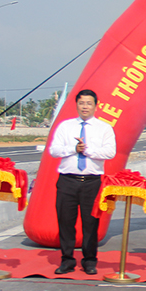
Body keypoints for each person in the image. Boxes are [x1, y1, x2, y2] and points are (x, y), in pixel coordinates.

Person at [48, 89, 116, 275]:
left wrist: (87, 150)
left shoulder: (104, 128)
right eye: (81, 103)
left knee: (90, 223)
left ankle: (89, 261)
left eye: (89, 103)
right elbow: (54, 150)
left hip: (91, 182)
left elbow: (110, 152)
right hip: (67, 180)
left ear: (95, 106)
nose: (85, 107)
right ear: (76, 105)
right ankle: (67, 260)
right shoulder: (65, 126)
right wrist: (73, 148)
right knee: (65, 221)